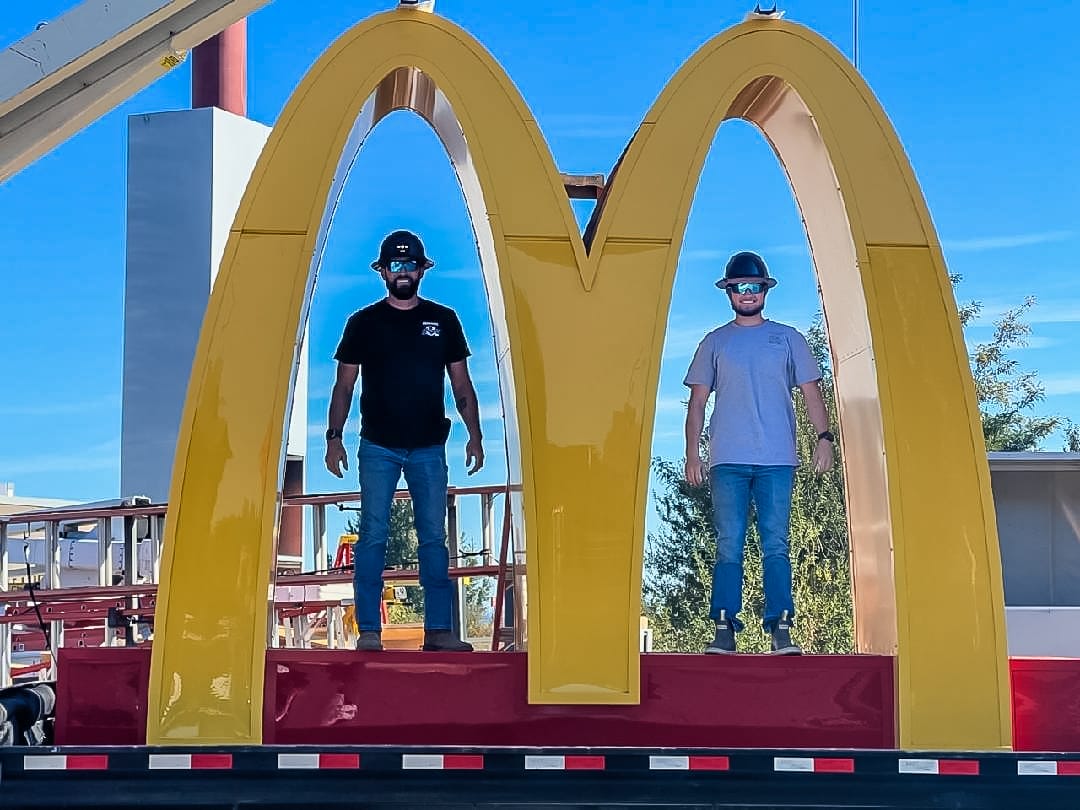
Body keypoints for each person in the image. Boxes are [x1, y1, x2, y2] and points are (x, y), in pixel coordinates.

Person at [325, 229, 484, 653]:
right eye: (394, 266)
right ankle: (370, 633)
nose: (402, 272)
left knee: (433, 537)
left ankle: (438, 631)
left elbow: (462, 384)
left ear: (421, 270)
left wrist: (476, 436)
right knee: (373, 536)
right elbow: (343, 387)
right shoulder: (363, 323)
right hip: (377, 445)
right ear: (382, 272)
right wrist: (333, 438)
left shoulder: (444, 320)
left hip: (429, 447)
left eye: (409, 265)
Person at [682, 251, 835, 656]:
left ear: (765, 290)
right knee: (729, 542)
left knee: (776, 543)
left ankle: (781, 626)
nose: (746, 294)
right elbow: (698, 402)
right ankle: (724, 627)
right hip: (727, 459)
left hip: (776, 458)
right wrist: (691, 453)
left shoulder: (787, 338)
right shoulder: (715, 341)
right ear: (728, 292)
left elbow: (811, 393)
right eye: (739, 287)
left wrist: (825, 437)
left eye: (753, 287)